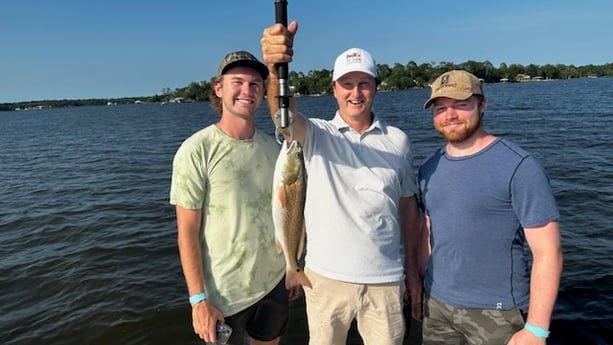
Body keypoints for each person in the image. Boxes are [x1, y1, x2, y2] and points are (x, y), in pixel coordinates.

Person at [261, 22, 422, 345]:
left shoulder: (399, 141)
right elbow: (282, 115)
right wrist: (274, 66)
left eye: (364, 83)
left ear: (376, 87)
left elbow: (407, 208)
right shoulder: (316, 134)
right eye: (346, 84)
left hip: (386, 283)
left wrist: (412, 270)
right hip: (324, 280)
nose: (356, 92)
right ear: (334, 89)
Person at [417, 70, 563, 345]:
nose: (450, 115)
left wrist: (536, 328)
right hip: (436, 305)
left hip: (498, 311)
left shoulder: (520, 167)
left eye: (461, 105)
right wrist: (418, 282)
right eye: (441, 108)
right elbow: (428, 230)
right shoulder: (428, 168)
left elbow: (548, 251)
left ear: (482, 106)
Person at [170, 50, 297, 345]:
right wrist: (198, 299)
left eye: (255, 85)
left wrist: (292, 267)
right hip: (223, 295)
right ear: (219, 88)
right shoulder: (196, 150)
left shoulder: (275, 150)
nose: (246, 91)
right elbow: (186, 233)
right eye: (237, 82)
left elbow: (285, 210)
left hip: (274, 282)